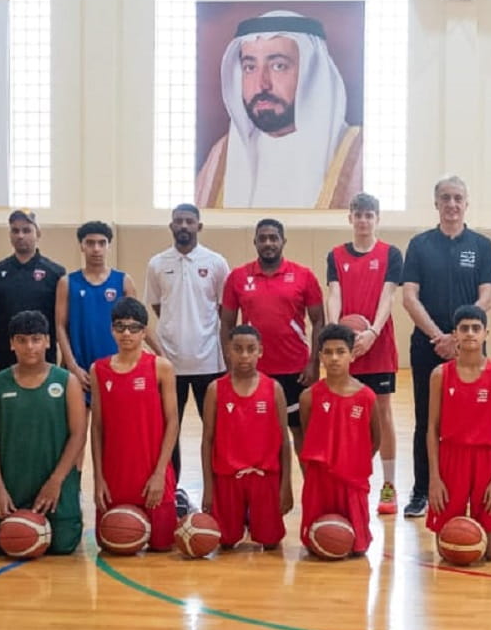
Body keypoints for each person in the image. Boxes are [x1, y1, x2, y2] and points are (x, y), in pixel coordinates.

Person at [195, 10, 362, 209]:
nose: (261, 84)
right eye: (250, 67)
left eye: (278, 66)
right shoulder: (222, 154)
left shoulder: (358, 154)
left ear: (312, 74)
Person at [400, 175, 491, 517]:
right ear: (436, 203)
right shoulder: (419, 245)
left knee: (473, 420)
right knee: (427, 420)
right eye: (445, 198)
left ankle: (472, 487)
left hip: (471, 347)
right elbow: (409, 297)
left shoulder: (482, 246)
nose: (452, 204)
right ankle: (422, 490)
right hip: (428, 348)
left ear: (466, 203)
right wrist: (438, 338)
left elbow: (487, 296)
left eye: (458, 198)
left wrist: (458, 338)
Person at [145, 203, 230, 515]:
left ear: (199, 226)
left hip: (211, 363)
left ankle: (221, 492)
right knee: (170, 430)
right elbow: (156, 306)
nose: (184, 226)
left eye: (189, 221)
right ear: (171, 226)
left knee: (217, 432)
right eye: (178, 221)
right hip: (169, 365)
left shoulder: (217, 263)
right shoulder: (157, 264)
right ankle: (173, 492)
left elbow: (224, 310)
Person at [0, 310, 86, 556]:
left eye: (36, 339)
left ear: (48, 341)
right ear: (11, 343)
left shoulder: (67, 381)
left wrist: (56, 481)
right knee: (2, 544)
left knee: (62, 546)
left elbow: (78, 435)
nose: (30, 346)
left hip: (55, 486)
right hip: (12, 486)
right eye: (22, 340)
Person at [326, 193, 405, 515]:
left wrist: (372, 332)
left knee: (382, 414)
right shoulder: (336, 255)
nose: (363, 220)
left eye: (369, 215)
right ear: (350, 218)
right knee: (344, 415)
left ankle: (388, 486)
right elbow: (334, 294)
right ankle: (347, 479)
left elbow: (388, 298)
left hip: (378, 345)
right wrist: (336, 334)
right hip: (347, 349)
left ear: (377, 218)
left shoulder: (391, 254)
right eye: (358, 214)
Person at [221, 219, 324, 457]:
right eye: (263, 238)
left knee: (301, 433)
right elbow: (226, 323)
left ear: (283, 241)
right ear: (255, 242)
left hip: (295, 371)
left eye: (273, 238)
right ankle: (264, 491)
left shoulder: (304, 276)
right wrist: (231, 365)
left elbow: (319, 320)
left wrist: (313, 363)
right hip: (254, 371)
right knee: (258, 434)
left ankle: (310, 492)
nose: (268, 243)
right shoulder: (237, 277)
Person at [90, 297, 178, 552]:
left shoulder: (161, 367)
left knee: (163, 545)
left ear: (143, 332)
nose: (126, 333)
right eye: (120, 327)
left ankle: (176, 501)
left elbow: (172, 422)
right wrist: (98, 478)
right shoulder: (98, 369)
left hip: (153, 473)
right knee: (112, 542)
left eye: (134, 327)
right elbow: (96, 427)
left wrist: (160, 473)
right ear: (111, 330)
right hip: (115, 477)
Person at [426, 306, 491, 560]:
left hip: (486, 461)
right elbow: (432, 427)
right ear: (455, 334)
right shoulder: (440, 375)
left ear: (486, 333)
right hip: (451, 459)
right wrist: (434, 478)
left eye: (476, 328)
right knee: (449, 548)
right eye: (464, 328)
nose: (470, 333)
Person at [202, 325, 293, 551]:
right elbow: (207, 441)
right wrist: (208, 487)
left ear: (260, 351)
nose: (244, 355)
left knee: (271, 542)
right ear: (228, 351)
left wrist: (286, 485)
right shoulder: (215, 389)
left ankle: (258, 522)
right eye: (238, 349)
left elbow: (284, 442)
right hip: (227, 477)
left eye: (250, 349)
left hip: (265, 477)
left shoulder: (274, 389)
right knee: (226, 541)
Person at [298, 323, 381, 557]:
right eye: (329, 352)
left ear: (352, 354)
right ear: (320, 356)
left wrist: (354, 459)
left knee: (357, 548)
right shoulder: (309, 396)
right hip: (320, 478)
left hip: (353, 479)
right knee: (315, 545)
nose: (334, 358)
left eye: (341, 352)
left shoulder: (366, 396)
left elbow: (376, 439)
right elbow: (307, 432)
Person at [0, 209, 65, 379]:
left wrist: (66, 360)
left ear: (37, 233)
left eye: (26, 230)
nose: (20, 235)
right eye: (15, 230)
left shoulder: (56, 273)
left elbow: (63, 322)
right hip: (5, 360)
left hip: (44, 360)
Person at [56, 221, 140, 390]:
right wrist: (72, 366)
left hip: (115, 366)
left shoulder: (123, 281)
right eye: (90, 243)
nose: (96, 248)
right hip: (79, 367)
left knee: (115, 416)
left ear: (108, 246)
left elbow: (136, 326)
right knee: (78, 416)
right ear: (81, 246)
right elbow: (60, 326)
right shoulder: (67, 282)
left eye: (102, 243)